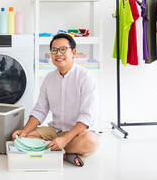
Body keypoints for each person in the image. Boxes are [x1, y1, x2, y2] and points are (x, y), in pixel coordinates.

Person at [12, 33, 99, 167]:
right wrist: (23, 132)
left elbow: (87, 117)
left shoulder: (85, 77)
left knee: (91, 142)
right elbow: (40, 110)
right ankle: (66, 154)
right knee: (25, 138)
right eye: (54, 50)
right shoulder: (49, 78)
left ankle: (56, 149)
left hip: (78, 133)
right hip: (56, 130)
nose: (58, 53)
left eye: (63, 49)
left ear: (73, 52)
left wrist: (65, 139)